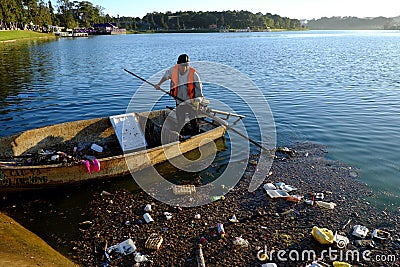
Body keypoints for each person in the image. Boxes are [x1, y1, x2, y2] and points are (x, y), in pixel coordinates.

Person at [154, 54, 203, 135]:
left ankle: (196, 135)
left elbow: (199, 90)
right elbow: (166, 76)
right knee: (180, 120)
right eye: (182, 65)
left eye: (186, 65)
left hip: (191, 102)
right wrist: (159, 84)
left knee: (193, 121)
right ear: (178, 65)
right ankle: (179, 136)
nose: (184, 67)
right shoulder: (173, 70)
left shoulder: (193, 74)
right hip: (179, 101)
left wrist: (198, 101)